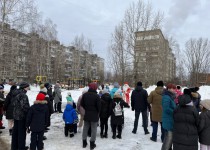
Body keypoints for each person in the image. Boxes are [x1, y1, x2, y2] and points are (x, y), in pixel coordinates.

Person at [81, 82, 101, 150]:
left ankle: (84, 142)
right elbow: (99, 107)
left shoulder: (85, 95)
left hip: (87, 114)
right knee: (94, 129)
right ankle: (92, 144)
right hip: (94, 115)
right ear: (95, 88)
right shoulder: (97, 96)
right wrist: (97, 111)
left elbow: (82, 104)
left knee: (85, 128)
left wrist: (87, 108)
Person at [12, 82, 30, 150]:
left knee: (15, 133)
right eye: (27, 87)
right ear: (24, 87)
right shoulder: (23, 95)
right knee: (21, 133)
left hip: (15, 115)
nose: (28, 88)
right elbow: (24, 106)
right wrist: (30, 110)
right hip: (21, 116)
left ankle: (14, 147)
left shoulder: (15, 93)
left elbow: (13, 104)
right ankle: (21, 147)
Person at [161, 83, 176, 150]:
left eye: (174, 88)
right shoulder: (166, 97)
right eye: (173, 88)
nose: (174, 90)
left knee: (169, 138)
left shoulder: (170, 96)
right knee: (168, 139)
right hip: (168, 120)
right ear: (168, 89)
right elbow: (166, 108)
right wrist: (175, 112)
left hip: (170, 119)